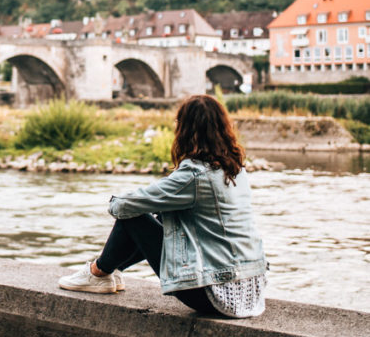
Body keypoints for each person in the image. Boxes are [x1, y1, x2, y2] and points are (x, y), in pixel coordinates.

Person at [59, 94, 267, 317]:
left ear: (185, 130)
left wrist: (117, 203)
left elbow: (124, 206)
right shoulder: (236, 169)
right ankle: (112, 270)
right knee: (166, 215)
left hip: (214, 294)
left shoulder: (195, 175)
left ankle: (98, 272)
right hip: (251, 290)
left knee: (134, 216)